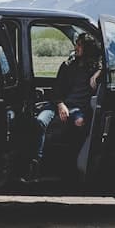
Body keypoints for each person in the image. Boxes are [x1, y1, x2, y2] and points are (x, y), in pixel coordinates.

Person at [23, 32, 103, 182]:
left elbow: (114, 64)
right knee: (40, 121)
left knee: (80, 123)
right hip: (57, 104)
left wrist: (98, 73)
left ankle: (72, 169)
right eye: (77, 44)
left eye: (80, 45)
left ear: (88, 48)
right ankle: (35, 165)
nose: (76, 47)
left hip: (78, 109)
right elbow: (56, 91)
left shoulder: (94, 68)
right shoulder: (67, 66)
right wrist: (60, 105)